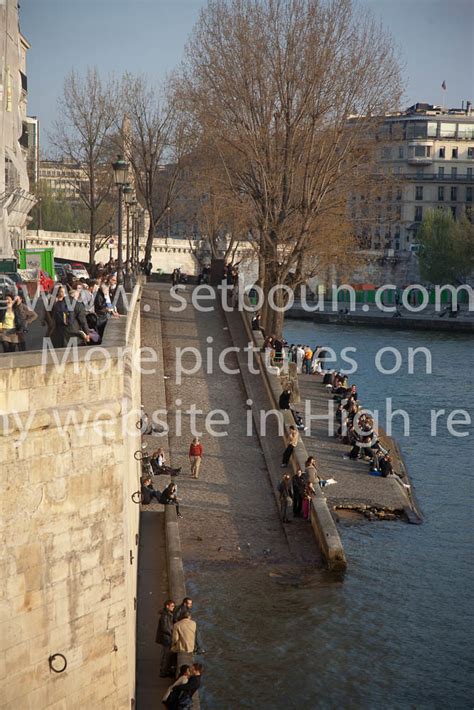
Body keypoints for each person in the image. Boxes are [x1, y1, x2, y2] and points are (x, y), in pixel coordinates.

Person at [155, 599, 176, 677]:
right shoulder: (165, 616)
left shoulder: (167, 614)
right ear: (167, 606)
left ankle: (164, 671)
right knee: (166, 655)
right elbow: (164, 628)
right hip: (166, 638)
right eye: (172, 606)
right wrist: (172, 633)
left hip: (166, 638)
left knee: (166, 655)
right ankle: (163, 672)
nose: (173, 608)